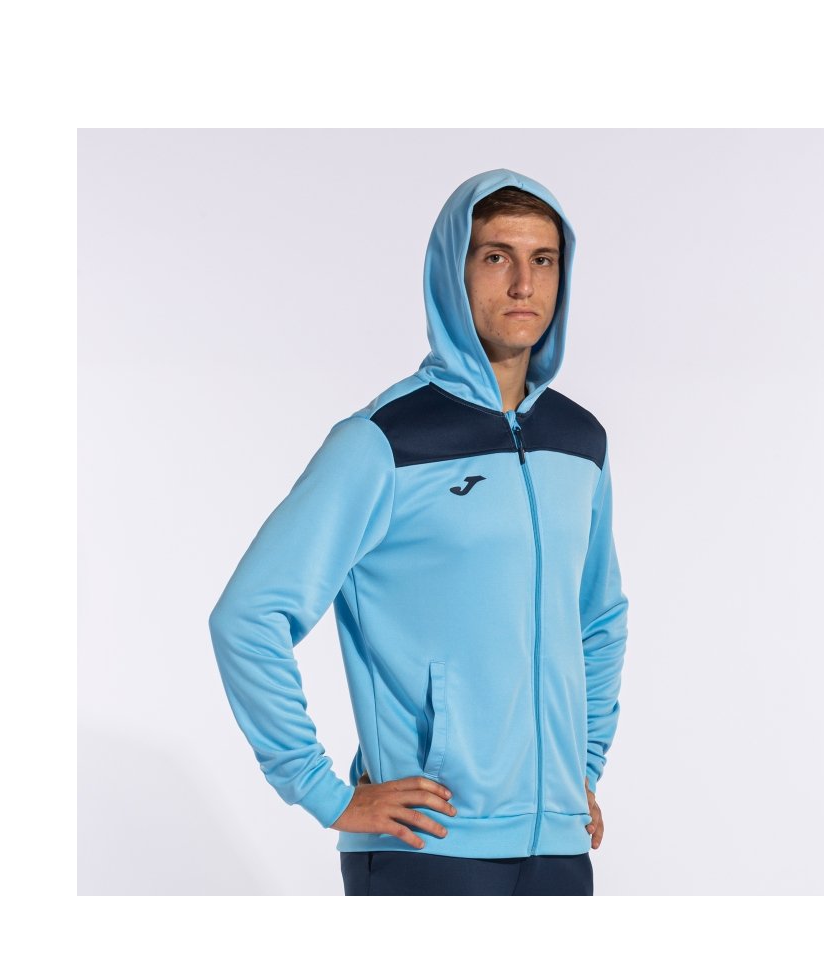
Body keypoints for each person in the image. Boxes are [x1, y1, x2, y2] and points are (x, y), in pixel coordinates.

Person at [208, 168, 629, 896]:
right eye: (496, 257)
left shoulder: (579, 441)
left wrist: (579, 770)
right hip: (425, 844)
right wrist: (323, 792)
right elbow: (248, 616)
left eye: (543, 259)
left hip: (560, 844)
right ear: (451, 273)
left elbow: (599, 619)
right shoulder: (385, 442)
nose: (523, 284)